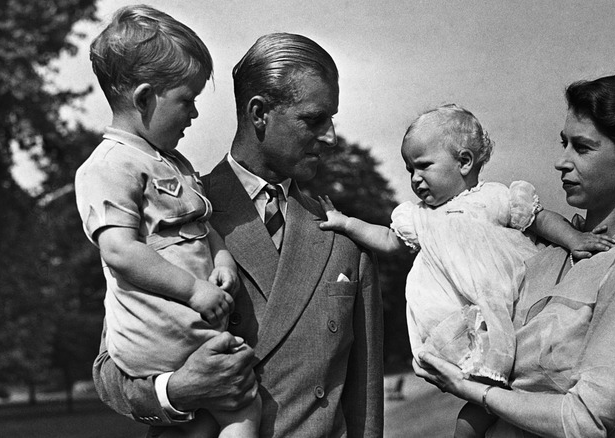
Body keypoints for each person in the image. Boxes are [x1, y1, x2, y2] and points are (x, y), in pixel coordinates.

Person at [90, 31, 384, 438]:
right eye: (314, 119)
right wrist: (178, 389)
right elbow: (110, 370)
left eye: (331, 120)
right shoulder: (170, 213)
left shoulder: (345, 237)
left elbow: (364, 407)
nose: (331, 136)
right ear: (259, 113)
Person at [413, 73, 615, 438]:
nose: (562, 162)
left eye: (582, 148)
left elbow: (585, 419)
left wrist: (473, 391)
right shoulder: (543, 250)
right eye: (564, 144)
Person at [319, 104, 615, 436]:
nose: (416, 179)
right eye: (409, 171)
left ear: (463, 162)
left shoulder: (495, 198)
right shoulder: (419, 217)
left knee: (520, 386)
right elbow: (388, 240)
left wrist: (574, 238)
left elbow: (540, 219)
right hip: (462, 323)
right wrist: (347, 223)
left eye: (424, 166)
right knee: (474, 410)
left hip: (506, 307)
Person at [75, 5, 259, 437]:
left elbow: (203, 224)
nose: (194, 115)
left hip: (194, 331)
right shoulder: (108, 165)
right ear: (142, 99)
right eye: (186, 101)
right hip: (160, 338)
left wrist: (223, 260)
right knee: (238, 403)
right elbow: (119, 249)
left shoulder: (175, 163)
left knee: (226, 411)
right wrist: (194, 289)